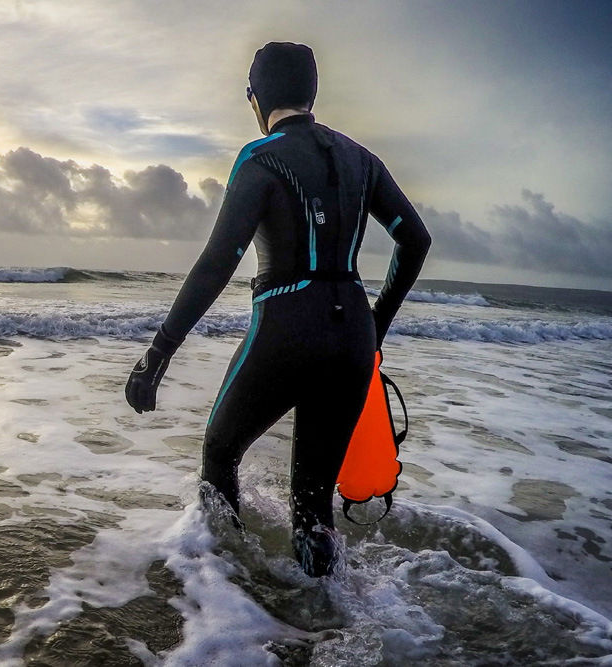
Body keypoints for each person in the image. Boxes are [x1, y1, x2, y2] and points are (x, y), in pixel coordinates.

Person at [124, 42, 431, 576]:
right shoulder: (363, 160)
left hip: (286, 328)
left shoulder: (260, 157)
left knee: (220, 453)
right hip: (351, 337)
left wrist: (158, 353)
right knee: (313, 511)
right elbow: (415, 241)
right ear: (313, 94)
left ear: (255, 98)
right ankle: (324, 613)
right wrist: (375, 326)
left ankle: (223, 592)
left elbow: (220, 260)